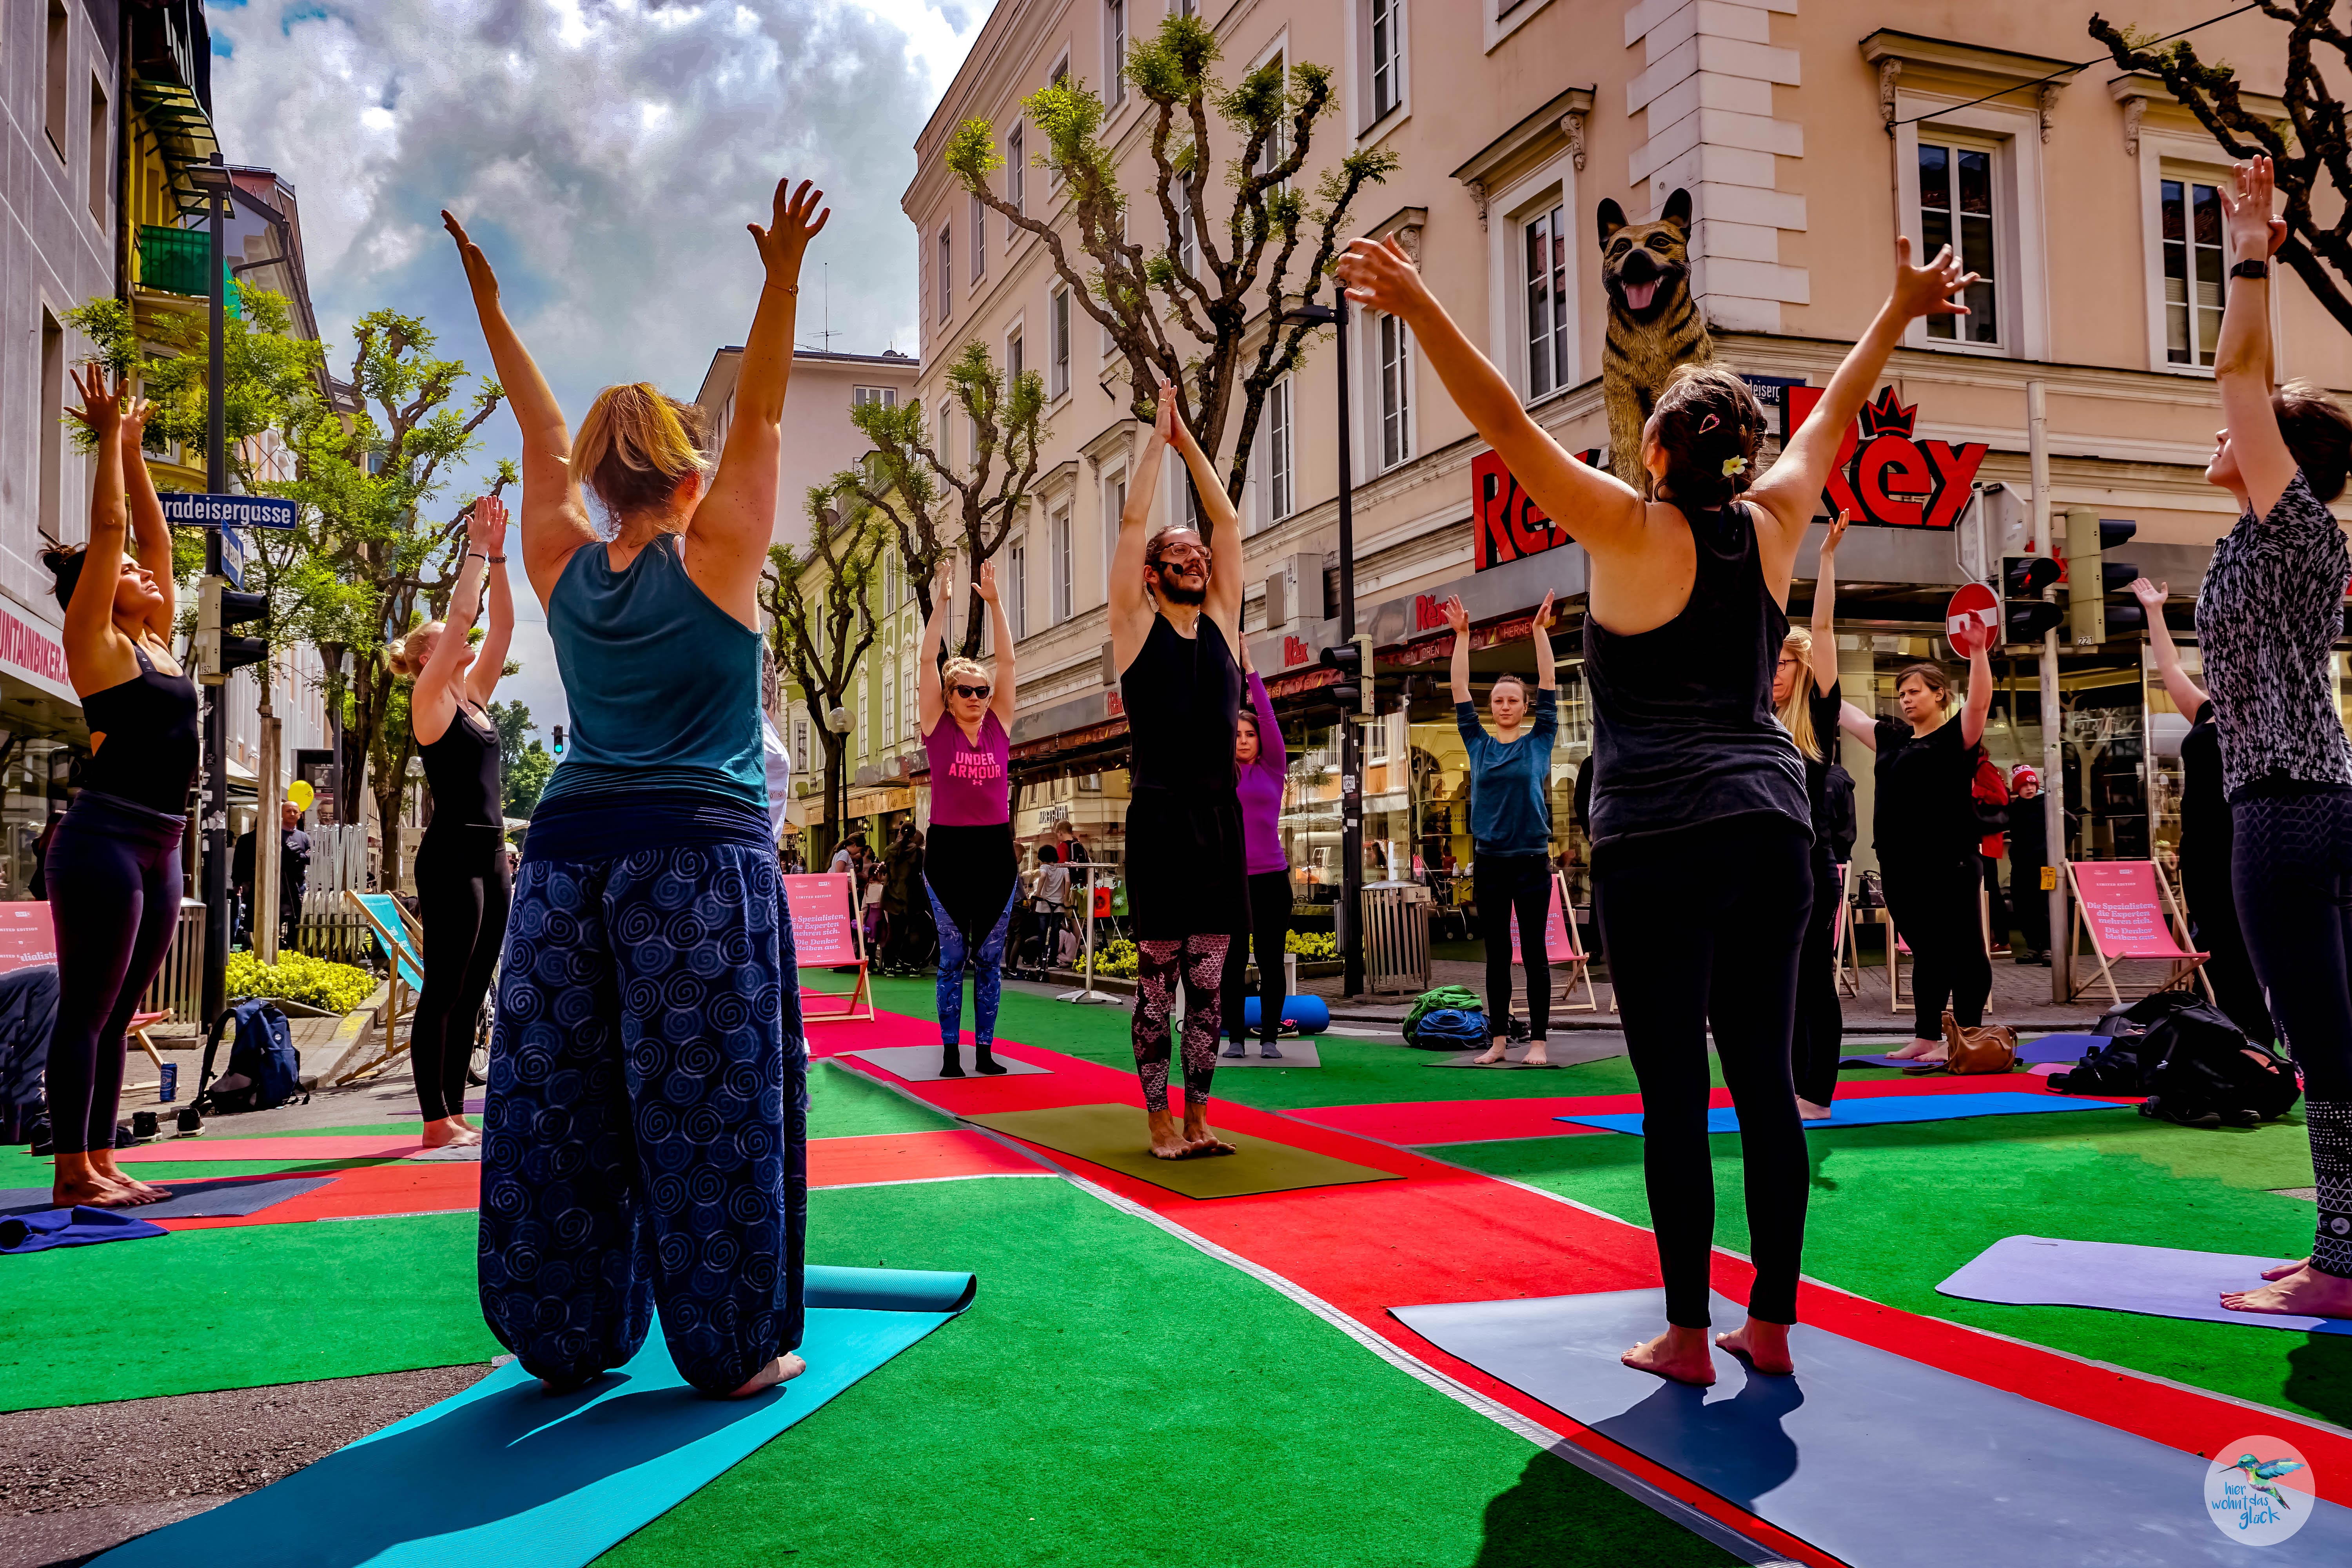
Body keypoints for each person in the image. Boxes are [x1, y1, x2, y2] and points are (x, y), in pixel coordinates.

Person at [1340, 223, 1977, 1384]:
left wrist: (1419, 298)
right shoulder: (1774, 520)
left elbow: (1503, 424)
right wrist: (1893, 308)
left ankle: (1686, 1333)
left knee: (1673, 1098)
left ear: (1648, 448)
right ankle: (1770, 1326)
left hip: (1655, 839)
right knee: (1764, 1086)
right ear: (1742, 451)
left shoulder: (1623, 525)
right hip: (1772, 828)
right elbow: (1834, 409)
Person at [444, 176, 824, 1396]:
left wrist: (494, 310)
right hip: (695, 863)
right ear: (688, 477)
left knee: (558, 1100)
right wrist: (780, 278)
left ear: (600, 484)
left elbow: (537, 430)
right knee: (709, 1103)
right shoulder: (719, 555)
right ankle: (728, 1346)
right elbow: (761, 417)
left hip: (560, 862)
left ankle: (560, 1334)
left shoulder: (559, 561)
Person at [2187, 158, 2352, 1319]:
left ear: (2276, 454)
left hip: (2284, 813)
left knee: (2323, 1044)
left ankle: (2337, 1265)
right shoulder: (2269, 540)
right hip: (2309, 801)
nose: (2217, 421)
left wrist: (2251, 249)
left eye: (2236, 426)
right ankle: (2339, 1252)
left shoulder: (2286, 523)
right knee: (2330, 1034)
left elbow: (2234, 366)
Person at [40, 368, 188, 1209]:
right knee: (88, 1007)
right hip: (105, 841)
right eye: (127, 569)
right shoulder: (96, 642)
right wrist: (103, 443)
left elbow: (155, 542)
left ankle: (101, 1157)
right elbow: (110, 531)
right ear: (99, 584)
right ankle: (71, 1170)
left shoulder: (158, 639)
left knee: (124, 1005)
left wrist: (135, 453)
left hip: (161, 843)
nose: (146, 571)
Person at [1109, 381, 1247, 1160]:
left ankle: (1200, 1114)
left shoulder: (1223, 621)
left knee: (1211, 978)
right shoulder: (1134, 627)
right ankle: (1158, 1118)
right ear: (1156, 573)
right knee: (1158, 979)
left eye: (1198, 554)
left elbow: (1226, 520)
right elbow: (1133, 523)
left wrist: (1190, 440)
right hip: (1159, 816)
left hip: (1219, 818)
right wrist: (1154, 444)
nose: (1196, 557)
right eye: (1179, 554)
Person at [392, 493, 516, 1149]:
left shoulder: (475, 697)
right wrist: (473, 549)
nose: (460, 638)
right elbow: (466, 614)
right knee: (444, 986)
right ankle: (434, 1118)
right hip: (450, 859)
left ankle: (455, 1112)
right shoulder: (430, 699)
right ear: (423, 660)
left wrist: (500, 556)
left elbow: (499, 628)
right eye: (444, 640)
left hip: (493, 857)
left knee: (473, 991)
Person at [2133, 576, 2273, 1045]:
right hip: (2201, 850)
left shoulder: (2266, 716)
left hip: (2245, 843)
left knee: (2246, 948)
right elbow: (2169, 664)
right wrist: (2155, 611)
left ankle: (2259, 1036)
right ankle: (2240, 1036)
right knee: (2219, 946)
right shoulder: (2207, 711)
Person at [1836, 651, 1995, 1061]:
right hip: (1899, 865)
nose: (1906, 700)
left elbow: (1978, 702)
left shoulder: (1955, 738)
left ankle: (1966, 1036)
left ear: (1940, 695)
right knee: (1927, 951)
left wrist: (1978, 653)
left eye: (1914, 691)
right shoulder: (1892, 738)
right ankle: (1927, 1034)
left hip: (1950, 863)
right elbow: (1842, 709)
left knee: (1963, 950)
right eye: (1901, 694)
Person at [1442, 592, 1559, 1066]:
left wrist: (1539, 633)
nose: (1505, 705)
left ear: (1526, 706)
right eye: (1498, 700)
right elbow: (1457, 689)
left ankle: (1539, 1041)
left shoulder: (1541, 740)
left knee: (1533, 953)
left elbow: (1550, 680)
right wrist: (1463, 638)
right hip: (1490, 863)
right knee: (1495, 955)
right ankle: (1496, 1042)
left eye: (1513, 699)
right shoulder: (1478, 744)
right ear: (1491, 707)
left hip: (1532, 861)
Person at [917, 558, 1019, 1077]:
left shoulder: (1000, 726)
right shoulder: (939, 730)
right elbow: (924, 663)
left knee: (991, 960)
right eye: (967, 691)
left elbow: (1009, 663)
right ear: (949, 697)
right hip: (950, 851)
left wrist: (995, 602)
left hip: (996, 851)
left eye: (983, 691)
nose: (978, 698)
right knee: (954, 960)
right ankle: (951, 1057)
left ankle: (985, 1052)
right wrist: (941, 605)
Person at [1784, 512, 1855, 1118]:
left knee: (1810, 978)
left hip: (1810, 866)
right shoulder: (1754, 719)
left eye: (1782, 664)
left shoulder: (1818, 723)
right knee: (1774, 984)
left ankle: (1818, 1093)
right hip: (1766, 867)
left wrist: (1826, 560)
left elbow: (1824, 628)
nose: (1772, 674)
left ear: (1800, 670)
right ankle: (1788, 1083)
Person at [1222, 640, 1292, 1059]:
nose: (1245, 740)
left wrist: (1250, 671)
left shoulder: (1273, 769)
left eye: (1250, 734)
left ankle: (1269, 1038)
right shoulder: (1218, 775)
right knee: (1231, 964)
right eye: (1236, 734)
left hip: (1271, 881)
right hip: (1231, 881)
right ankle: (1235, 1039)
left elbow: (1267, 717)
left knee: (1270, 960)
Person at [231, 801, 311, 950]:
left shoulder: (304, 837)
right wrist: (237, 882)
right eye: (288, 811)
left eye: (295, 811)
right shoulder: (256, 838)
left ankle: (292, 948)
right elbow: (240, 863)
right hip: (263, 885)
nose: (292, 814)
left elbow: (313, 857)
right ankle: (261, 947)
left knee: (295, 919)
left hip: (294, 886)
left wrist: (299, 856)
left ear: (300, 815)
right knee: (262, 918)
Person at [2007, 766, 2051, 965]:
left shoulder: (2047, 805)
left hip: (2043, 865)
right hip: (2021, 864)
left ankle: (2048, 947)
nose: (2029, 788)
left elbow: (2071, 823)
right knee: (2023, 906)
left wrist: (2053, 849)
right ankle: (2033, 946)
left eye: (2032, 783)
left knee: (2043, 906)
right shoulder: (2015, 808)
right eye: (2024, 785)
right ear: (2017, 788)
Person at [1973, 752, 2010, 954]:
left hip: (1984, 839)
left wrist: (1977, 790)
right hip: (1977, 838)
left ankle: (2002, 939)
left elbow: (2002, 798)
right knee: (1983, 889)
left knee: (1990, 890)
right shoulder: (1974, 767)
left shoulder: (1983, 767)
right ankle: (1993, 936)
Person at [880, 822, 928, 976]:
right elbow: (922, 872)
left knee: (893, 933)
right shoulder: (918, 852)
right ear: (915, 835)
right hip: (913, 896)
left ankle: (890, 967)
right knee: (915, 932)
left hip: (893, 896)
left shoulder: (890, 850)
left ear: (900, 832)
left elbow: (885, 871)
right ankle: (915, 967)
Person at [1027, 844, 1071, 977]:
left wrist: (1038, 893)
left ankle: (1041, 959)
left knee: (1042, 933)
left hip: (1044, 905)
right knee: (1055, 933)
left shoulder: (1044, 867)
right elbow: (1068, 882)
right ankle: (1052, 961)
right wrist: (1066, 898)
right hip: (1058, 906)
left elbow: (1044, 876)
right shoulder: (1063, 868)